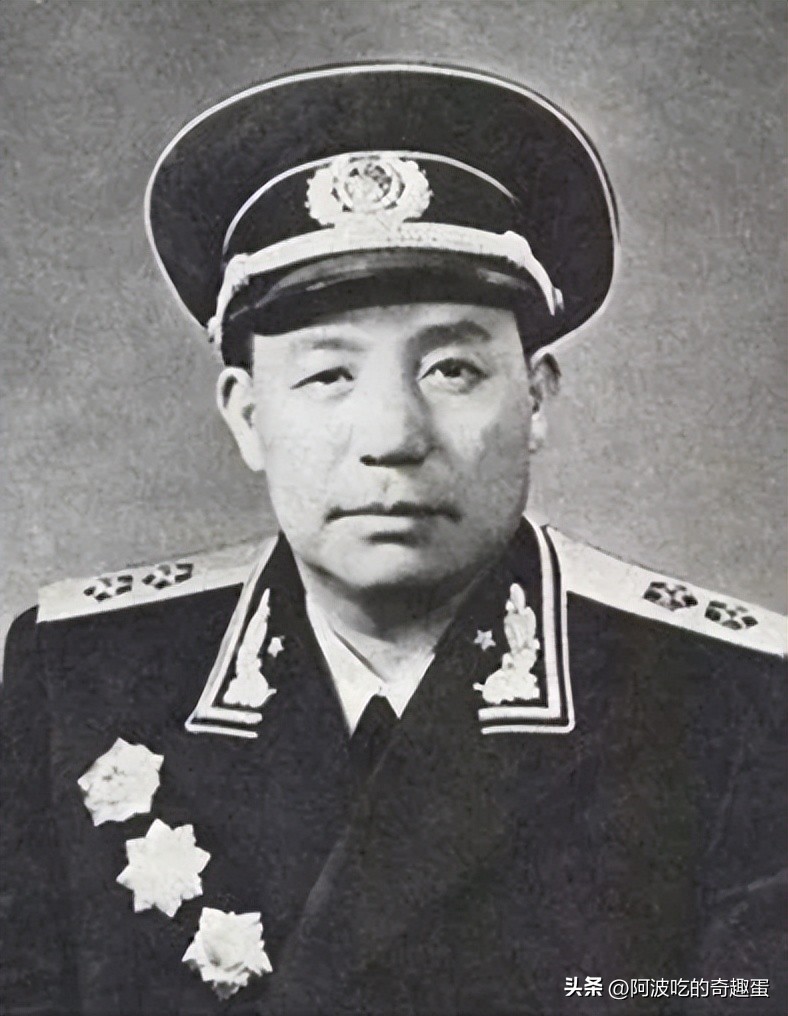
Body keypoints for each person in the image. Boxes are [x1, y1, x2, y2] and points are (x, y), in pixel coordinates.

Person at [1, 63, 785, 1016]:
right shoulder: (82, 677)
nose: (393, 437)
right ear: (247, 416)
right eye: (328, 376)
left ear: (536, 399)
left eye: (451, 369)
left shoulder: (725, 698)